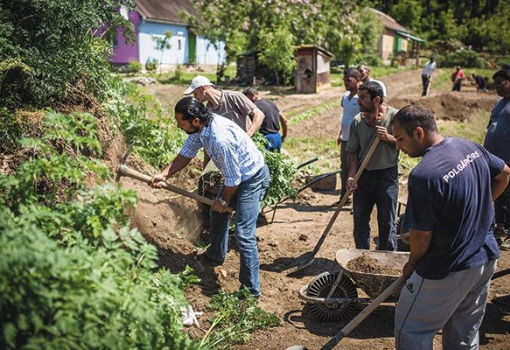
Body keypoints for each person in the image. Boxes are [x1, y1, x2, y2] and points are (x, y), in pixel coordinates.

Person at [392, 104, 510, 350]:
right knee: (464, 334)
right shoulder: (469, 146)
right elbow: (505, 173)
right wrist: (484, 203)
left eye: (400, 139)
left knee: (411, 329)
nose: (397, 146)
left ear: (419, 133)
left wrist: (411, 265)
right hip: (484, 259)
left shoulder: (424, 175)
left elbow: (422, 235)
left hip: (447, 267)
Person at [149, 97, 270, 298]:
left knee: (243, 234)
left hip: (252, 178)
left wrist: (223, 201)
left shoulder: (218, 138)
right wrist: (164, 174)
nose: (179, 126)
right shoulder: (201, 128)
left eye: (181, 122)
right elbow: (185, 155)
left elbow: (234, 179)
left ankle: (250, 292)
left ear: (195, 120)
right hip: (238, 175)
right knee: (217, 213)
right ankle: (215, 254)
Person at [346, 81, 399, 251]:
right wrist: (352, 175)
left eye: (362, 98)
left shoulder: (394, 118)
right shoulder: (357, 121)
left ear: (376, 100)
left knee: (387, 222)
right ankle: (362, 259)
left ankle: (387, 262)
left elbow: (406, 145)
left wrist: (389, 138)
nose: (358, 101)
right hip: (363, 176)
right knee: (360, 221)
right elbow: (352, 152)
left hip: (387, 177)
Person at [184, 75, 265, 167]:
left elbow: (259, 115)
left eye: (195, 93)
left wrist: (248, 135)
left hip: (247, 151)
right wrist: (205, 167)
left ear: (202, 88)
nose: (195, 97)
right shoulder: (208, 112)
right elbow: (208, 141)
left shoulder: (233, 97)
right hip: (229, 155)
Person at [483, 69, 510, 250]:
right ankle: (499, 225)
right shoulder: (499, 103)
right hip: (494, 159)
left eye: (501, 82)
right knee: (497, 193)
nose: (497, 86)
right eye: (495, 83)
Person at [334, 67, 361, 206]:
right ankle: (344, 198)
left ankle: (358, 201)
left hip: (357, 141)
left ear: (358, 80)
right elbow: (346, 116)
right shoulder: (345, 96)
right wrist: (340, 133)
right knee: (344, 170)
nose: (346, 83)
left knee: (356, 170)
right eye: (345, 80)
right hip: (345, 139)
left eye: (349, 80)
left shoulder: (362, 97)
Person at [242, 87, 288, 153]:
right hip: (277, 137)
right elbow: (284, 120)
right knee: (275, 161)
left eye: (246, 98)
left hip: (265, 139)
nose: (246, 102)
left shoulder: (254, 108)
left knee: (264, 162)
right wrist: (284, 136)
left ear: (252, 95)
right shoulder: (271, 103)